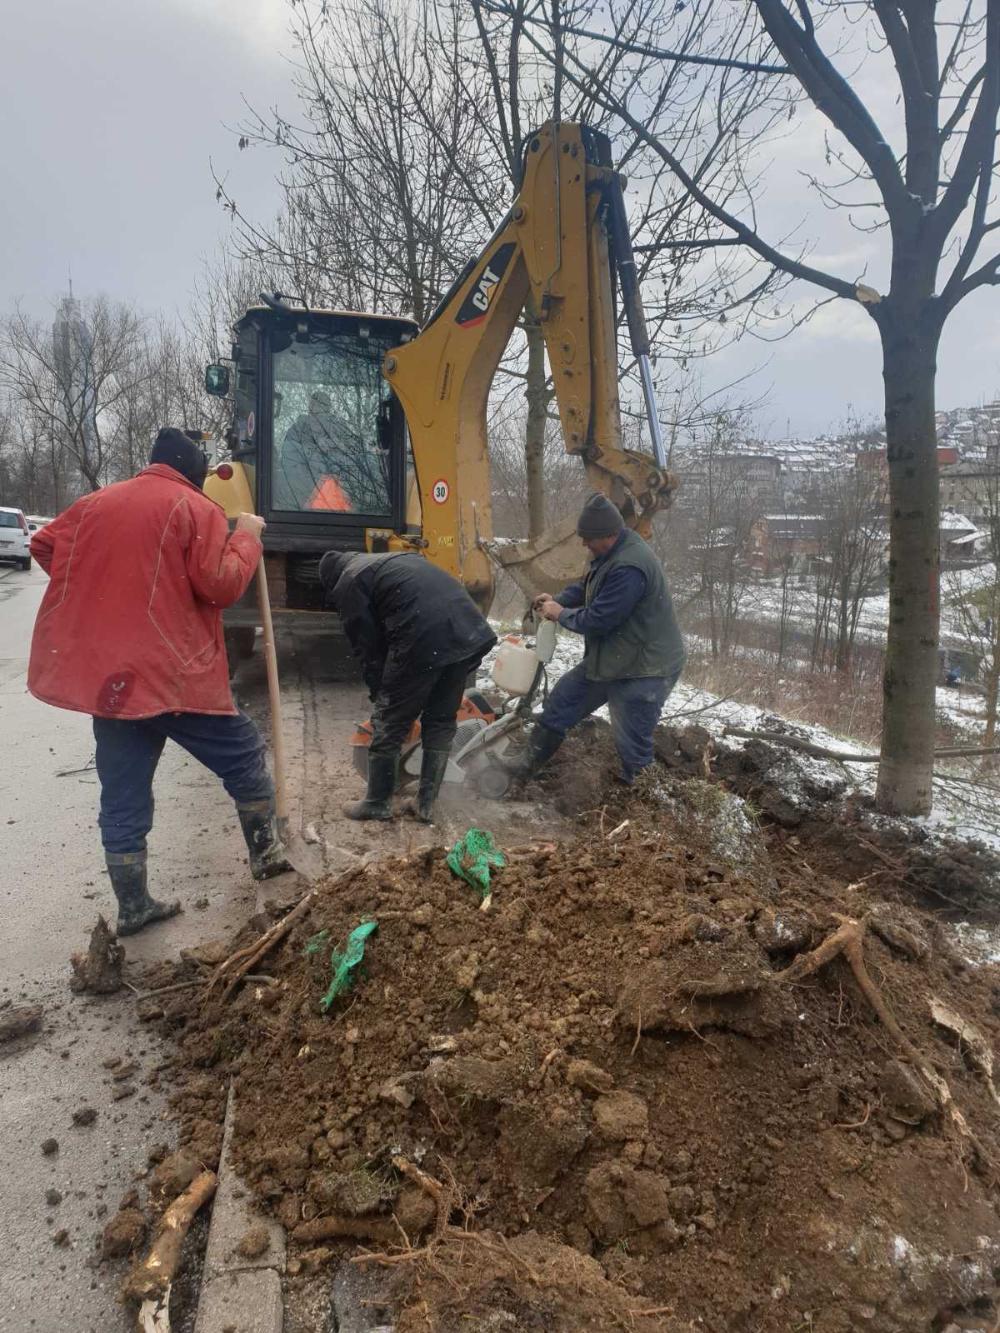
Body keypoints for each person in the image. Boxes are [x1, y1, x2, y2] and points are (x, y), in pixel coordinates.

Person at [28, 427, 292, 937]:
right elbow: (220, 586)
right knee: (242, 752)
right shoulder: (197, 510)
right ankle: (266, 856)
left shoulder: (92, 504)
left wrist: (100, 592)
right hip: (172, 673)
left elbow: (44, 545)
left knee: (123, 790)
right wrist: (248, 538)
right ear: (196, 473)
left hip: (113, 681)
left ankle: (133, 905)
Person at [319, 551, 497, 823]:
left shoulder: (348, 579)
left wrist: (383, 696)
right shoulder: (394, 560)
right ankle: (426, 804)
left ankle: (378, 802)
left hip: (426, 636)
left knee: (389, 722)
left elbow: (367, 646)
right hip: (467, 631)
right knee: (440, 719)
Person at [526, 492, 685, 783]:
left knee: (631, 740)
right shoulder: (609, 554)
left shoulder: (629, 568)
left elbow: (599, 619)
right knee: (561, 702)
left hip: (645, 668)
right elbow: (588, 589)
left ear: (608, 535)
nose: (584, 543)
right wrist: (556, 602)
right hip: (615, 658)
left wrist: (560, 614)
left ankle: (643, 808)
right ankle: (521, 769)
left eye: (588, 538)